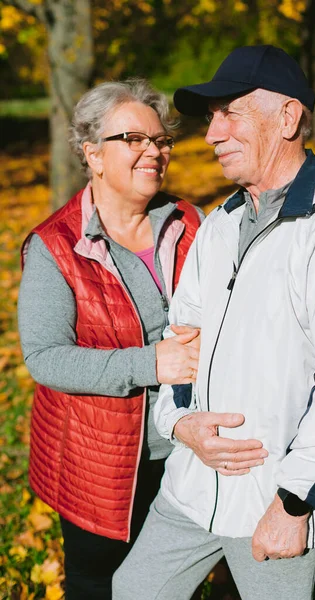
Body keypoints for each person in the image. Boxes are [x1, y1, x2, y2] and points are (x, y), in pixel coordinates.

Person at [113, 46, 315, 600]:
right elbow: (182, 341)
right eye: (211, 117)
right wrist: (180, 426)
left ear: (287, 118)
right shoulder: (220, 224)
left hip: (277, 498)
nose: (211, 134)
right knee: (134, 589)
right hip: (192, 485)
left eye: (230, 113)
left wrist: (296, 503)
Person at [18, 78, 204, 600]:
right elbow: (46, 357)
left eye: (161, 140)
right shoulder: (58, 246)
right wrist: (151, 364)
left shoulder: (190, 222)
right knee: (98, 581)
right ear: (93, 154)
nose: (153, 151)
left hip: (188, 446)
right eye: (134, 139)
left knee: (166, 583)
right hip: (99, 459)